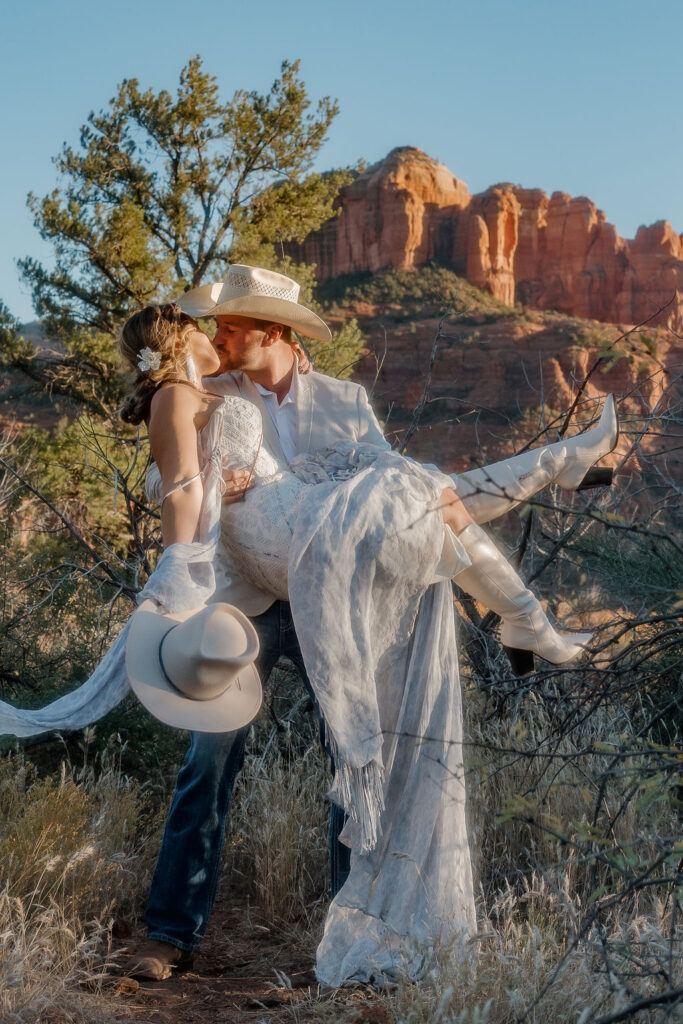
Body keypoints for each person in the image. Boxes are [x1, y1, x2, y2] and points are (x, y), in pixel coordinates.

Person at [0, 265, 618, 985]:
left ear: (275, 333)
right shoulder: (211, 389)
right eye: (219, 326)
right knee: (207, 759)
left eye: (234, 326)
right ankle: (169, 933)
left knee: (353, 751)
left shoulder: (346, 401)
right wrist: (214, 481)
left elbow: (382, 490)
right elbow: (161, 473)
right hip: (243, 604)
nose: (221, 336)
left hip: (335, 598)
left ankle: (348, 933)